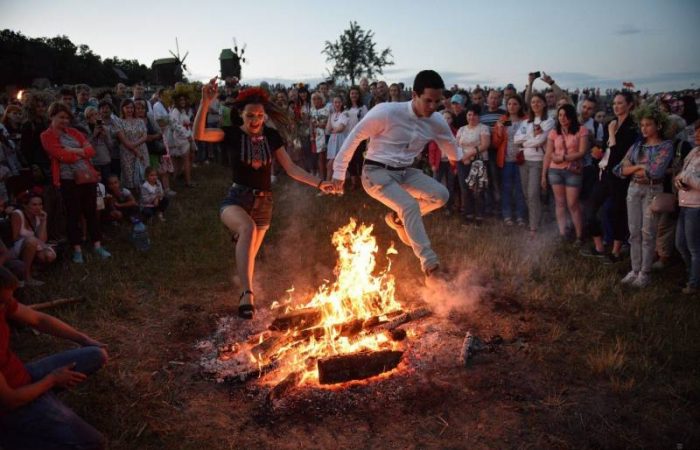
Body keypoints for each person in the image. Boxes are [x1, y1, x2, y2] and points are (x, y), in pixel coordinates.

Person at [194, 81, 334, 319]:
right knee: (246, 228)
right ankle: (247, 295)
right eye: (250, 115)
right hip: (237, 199)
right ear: (241, 115)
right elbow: (199, 134)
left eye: (259, 115)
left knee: (248, 255)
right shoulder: (233, 134)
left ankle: (244, 279)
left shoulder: (271, 135)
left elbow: (290, 168)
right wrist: (205, 102)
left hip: (264, 205)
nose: (255, 120)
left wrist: (320, 183)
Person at [332, 70, 469, 283]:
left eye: (437, 101)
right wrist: (339, 173)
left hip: (405, 172)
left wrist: (460, 156)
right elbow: (355, 135)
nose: (433, 107)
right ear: (414, 95)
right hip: (376, 173)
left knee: (441, 195)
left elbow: (451, 147)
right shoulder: (386, 112)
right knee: (409, 206)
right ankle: (431, 267)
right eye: (428, 101)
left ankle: (397, 220)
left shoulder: (437, 121)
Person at [0, 267, 108, 450]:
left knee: (95, 354)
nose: (9, 304)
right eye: (3, 301)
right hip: (12, 404)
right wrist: (52, 380)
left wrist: (83, 339)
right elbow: (10, 400)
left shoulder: (4, 303)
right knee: (94, 443)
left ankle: (43, 403)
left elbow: (38, 319)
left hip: (23, 375)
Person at [40, 102, 111, 264]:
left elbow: (91, 151)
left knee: (91, 212)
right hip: (67, 179)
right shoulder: (46, 135)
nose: (65, 121)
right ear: (52, 117)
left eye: (67, 118)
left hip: (87, 176)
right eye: (61, 117)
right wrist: (79, 153)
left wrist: (72, 150)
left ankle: (97, 245)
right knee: (73, 214)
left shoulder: (74, 132)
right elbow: (60, 155)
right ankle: (77, 249)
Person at [613, 103, 673, 287]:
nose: (644, 128)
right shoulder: (637, 146)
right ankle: (635, 269)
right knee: (634, 232)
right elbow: (619, 169)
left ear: (658, 126)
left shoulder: (666, 146)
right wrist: (639, 167)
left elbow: (655, 171)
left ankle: (645, 273)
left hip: (652, 190)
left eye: (648, 124)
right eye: (642, 125)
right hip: (634, 189)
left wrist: (634, 169)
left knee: (648, 233)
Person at [581, 92, 639, 263]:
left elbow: (620, 153)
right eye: (614, 103)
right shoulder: (610, 123)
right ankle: (599, 247)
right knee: (590, 208)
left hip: (620, 175)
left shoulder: (632, 127)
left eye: (620, 103)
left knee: (617, 212)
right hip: (605, 173)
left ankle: (616, 251)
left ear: (629, 105)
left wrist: (612, 134)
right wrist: (598, 154)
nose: (616, 106)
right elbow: (608, 150)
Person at [542, 104, 588, 243]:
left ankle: (579, 235)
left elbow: (582, 152)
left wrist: (562, 158)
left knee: (573, 203)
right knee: (560, 203)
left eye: (565, 115)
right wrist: (543, 175)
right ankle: (562, 233)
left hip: (572, 170)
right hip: (555, 170)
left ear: (572, 116)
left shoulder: (581, 130)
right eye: (560, 115)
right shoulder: (554, 132)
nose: (562, 118)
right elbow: (548, 154)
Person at [514, 93, 555, 235]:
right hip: (524, 160)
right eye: (533, 102)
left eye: (538, 101)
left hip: (538, 161)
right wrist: (530, 139)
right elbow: (516, 139)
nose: (535, 104)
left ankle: (534, 227)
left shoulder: (548, 121)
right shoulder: (526, 122)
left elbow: (541, 140)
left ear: (544, 104)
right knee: (526, 193)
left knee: (533, 194)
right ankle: (536, 219)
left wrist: (526, 141)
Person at [492, 95, 527, 225]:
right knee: (506, 188)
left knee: (520, 188)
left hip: (522, 160)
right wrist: (500, 131)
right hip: (506, 160)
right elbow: (495, 143)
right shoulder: (502, 120)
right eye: (509, 104)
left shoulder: (526, 120)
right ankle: (507, 215)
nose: (512, 106)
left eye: (515, 104)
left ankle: (520, 216)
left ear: (520, 106)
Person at [674, 120, 700, 295]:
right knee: (680, 244)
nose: (696, 135)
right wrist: (679, 181)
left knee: (694, 247)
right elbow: (684, 173)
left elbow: (691, 178)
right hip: (684, 203)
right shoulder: (693, 152)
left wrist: (688, 179)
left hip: (696, 206)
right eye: (696, 131)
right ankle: (692, 275)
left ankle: (694, 283)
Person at [10, 192, 56, 286]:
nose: (38, 207)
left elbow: (42, 239)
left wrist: (43, 221)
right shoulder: (18, 214)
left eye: (40, 204)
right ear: (25, 205)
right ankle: (27, 277)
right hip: (17, 246)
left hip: (34, 245)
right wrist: (32, 240)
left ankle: (33, 268)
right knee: (32, 241)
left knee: (49, 256)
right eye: (34, 204)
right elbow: (14, 237)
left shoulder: (38, 216)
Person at [456, 104, 491, 224]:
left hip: (478, 162)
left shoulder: (483, 128)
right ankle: (468, 214)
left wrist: (470, 154)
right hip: (463, 162)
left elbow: (485, 145)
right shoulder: (461, 129)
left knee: (478, 190)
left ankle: (480, 215)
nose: (472, 117)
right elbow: (457, 145)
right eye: (469, 114)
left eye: (475, 114)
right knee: (465, 189)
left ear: (478, 116)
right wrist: (462, 157)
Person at [114, 99, 149, 194]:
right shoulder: (119, 122)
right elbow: (124, 140)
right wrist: (134, 149)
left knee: (143, 172)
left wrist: (135, 145)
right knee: (129, 175)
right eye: (127, 108)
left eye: (131, 107)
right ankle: (131, 197)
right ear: (122, 109)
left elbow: (145, 136)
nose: (130, 110)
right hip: (127, 152)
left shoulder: (140, 121)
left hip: (142, 150)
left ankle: (145, 195)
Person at [325, 96, 349, 181]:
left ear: (342, 103)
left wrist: (334, 130)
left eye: (339, 102)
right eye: (335, 102)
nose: (337, 104)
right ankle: (330, 183)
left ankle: (333, 184)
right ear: (333, 104)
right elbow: (327, 130)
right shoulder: (332, 115)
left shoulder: (345, 113)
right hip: (333, 140)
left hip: (341, 139)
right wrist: (330, 115)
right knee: (331, 164)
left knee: (337, 163)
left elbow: (341, 128)